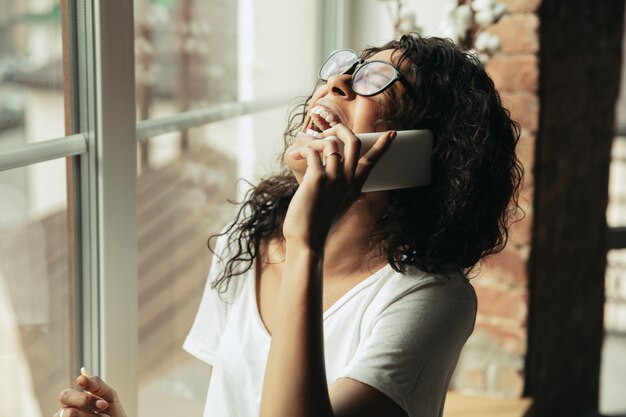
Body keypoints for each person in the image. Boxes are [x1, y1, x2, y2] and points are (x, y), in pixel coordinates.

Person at [54, 34, 523, 417]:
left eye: (376, 80)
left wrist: (306, 245)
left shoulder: (431, 298)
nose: (337, 82)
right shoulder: (249, 235)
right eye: (345, 69)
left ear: (422, 154)